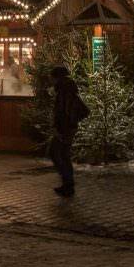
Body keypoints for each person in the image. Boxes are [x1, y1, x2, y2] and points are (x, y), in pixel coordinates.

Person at [50, 65, 88, 197]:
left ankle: (68, 184)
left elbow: (62, 112)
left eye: (53, 78)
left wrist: (59, 127)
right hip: (68, 127)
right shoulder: (68, 89)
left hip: (65, 128)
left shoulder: (64, 91)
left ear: (57, 78)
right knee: (62, 155)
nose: (52, 81)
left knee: (57, 154)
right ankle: (68, 184)